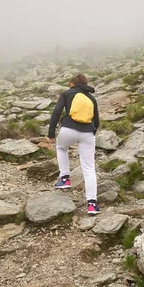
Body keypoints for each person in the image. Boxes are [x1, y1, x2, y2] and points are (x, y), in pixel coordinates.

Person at [48, 73, 101, 215]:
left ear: (72, 83)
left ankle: (65, 178)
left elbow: (56, 112)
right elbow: (96, 121)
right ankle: (92, 204)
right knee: (89, 168)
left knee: (61, 148)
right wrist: (90, 134)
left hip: (68, 129)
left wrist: (51, 133)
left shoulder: (67, 93)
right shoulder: (91, 98)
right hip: (88, 133)